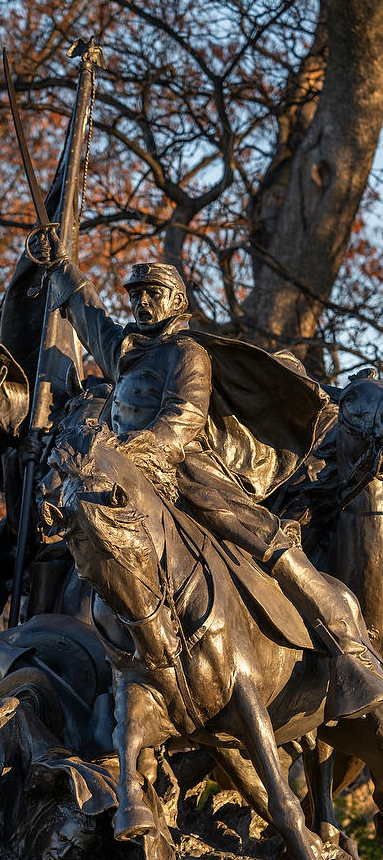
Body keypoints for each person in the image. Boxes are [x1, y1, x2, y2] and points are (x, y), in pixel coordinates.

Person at [30, 229, 383, 722]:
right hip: (130, 475)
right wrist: (59, 268)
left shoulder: (187, 353)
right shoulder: (128, 353)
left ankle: (350, 651)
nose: (143, 304)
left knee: (265, 543)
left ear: (176, 300)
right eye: (136, 296)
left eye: (154, 294)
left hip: (187, 474)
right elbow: (91, 320)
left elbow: (185, 415)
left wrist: (142, 450)